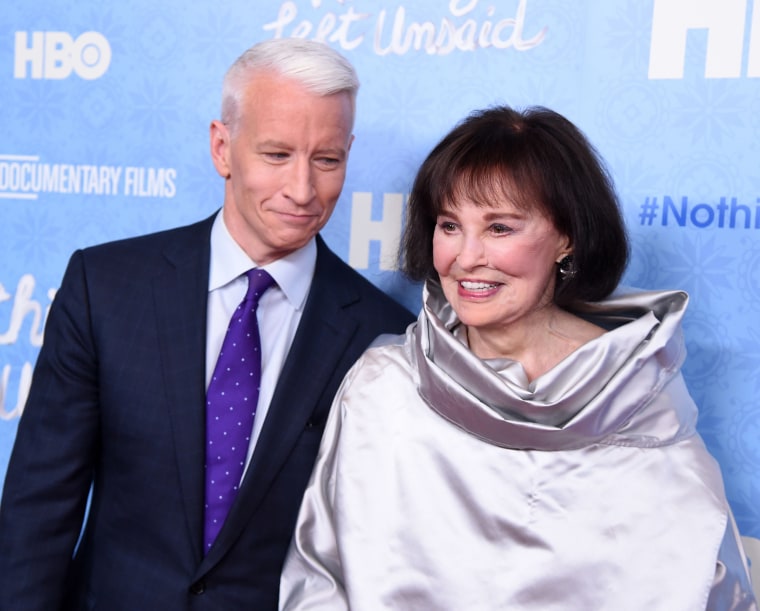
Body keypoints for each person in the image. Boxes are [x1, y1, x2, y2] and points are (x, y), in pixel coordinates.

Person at [279, 105, 758, 610]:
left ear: (566, 238)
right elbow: (319, 577)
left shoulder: (638, 400)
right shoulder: (384, 387)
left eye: (499, 228)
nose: (465, 258)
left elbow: (705, 582)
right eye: (449, 225)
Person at [0, 38, 414, 611]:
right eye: (276, 155)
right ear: (222, 148)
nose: (302, 189)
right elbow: (38, 510)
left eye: (327, 159)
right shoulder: (106, 287)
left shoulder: (382, 332)